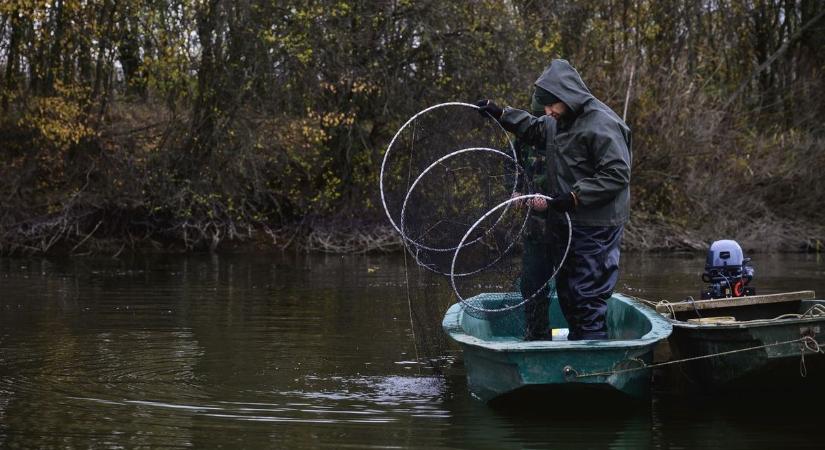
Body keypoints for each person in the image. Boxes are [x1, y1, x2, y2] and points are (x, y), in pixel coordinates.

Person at [477, 59, 631, 340]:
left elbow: (617, 174)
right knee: (569, 292)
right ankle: (576, 349)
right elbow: (535, 128)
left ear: (566, 96)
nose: (548, 112)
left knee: (586, 294)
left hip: (596, 225)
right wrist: (501, 114)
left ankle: (592, 358)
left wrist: (573, 197)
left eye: (551, 106)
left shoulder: (602, 124)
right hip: (568, 222)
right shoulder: (557, 121)